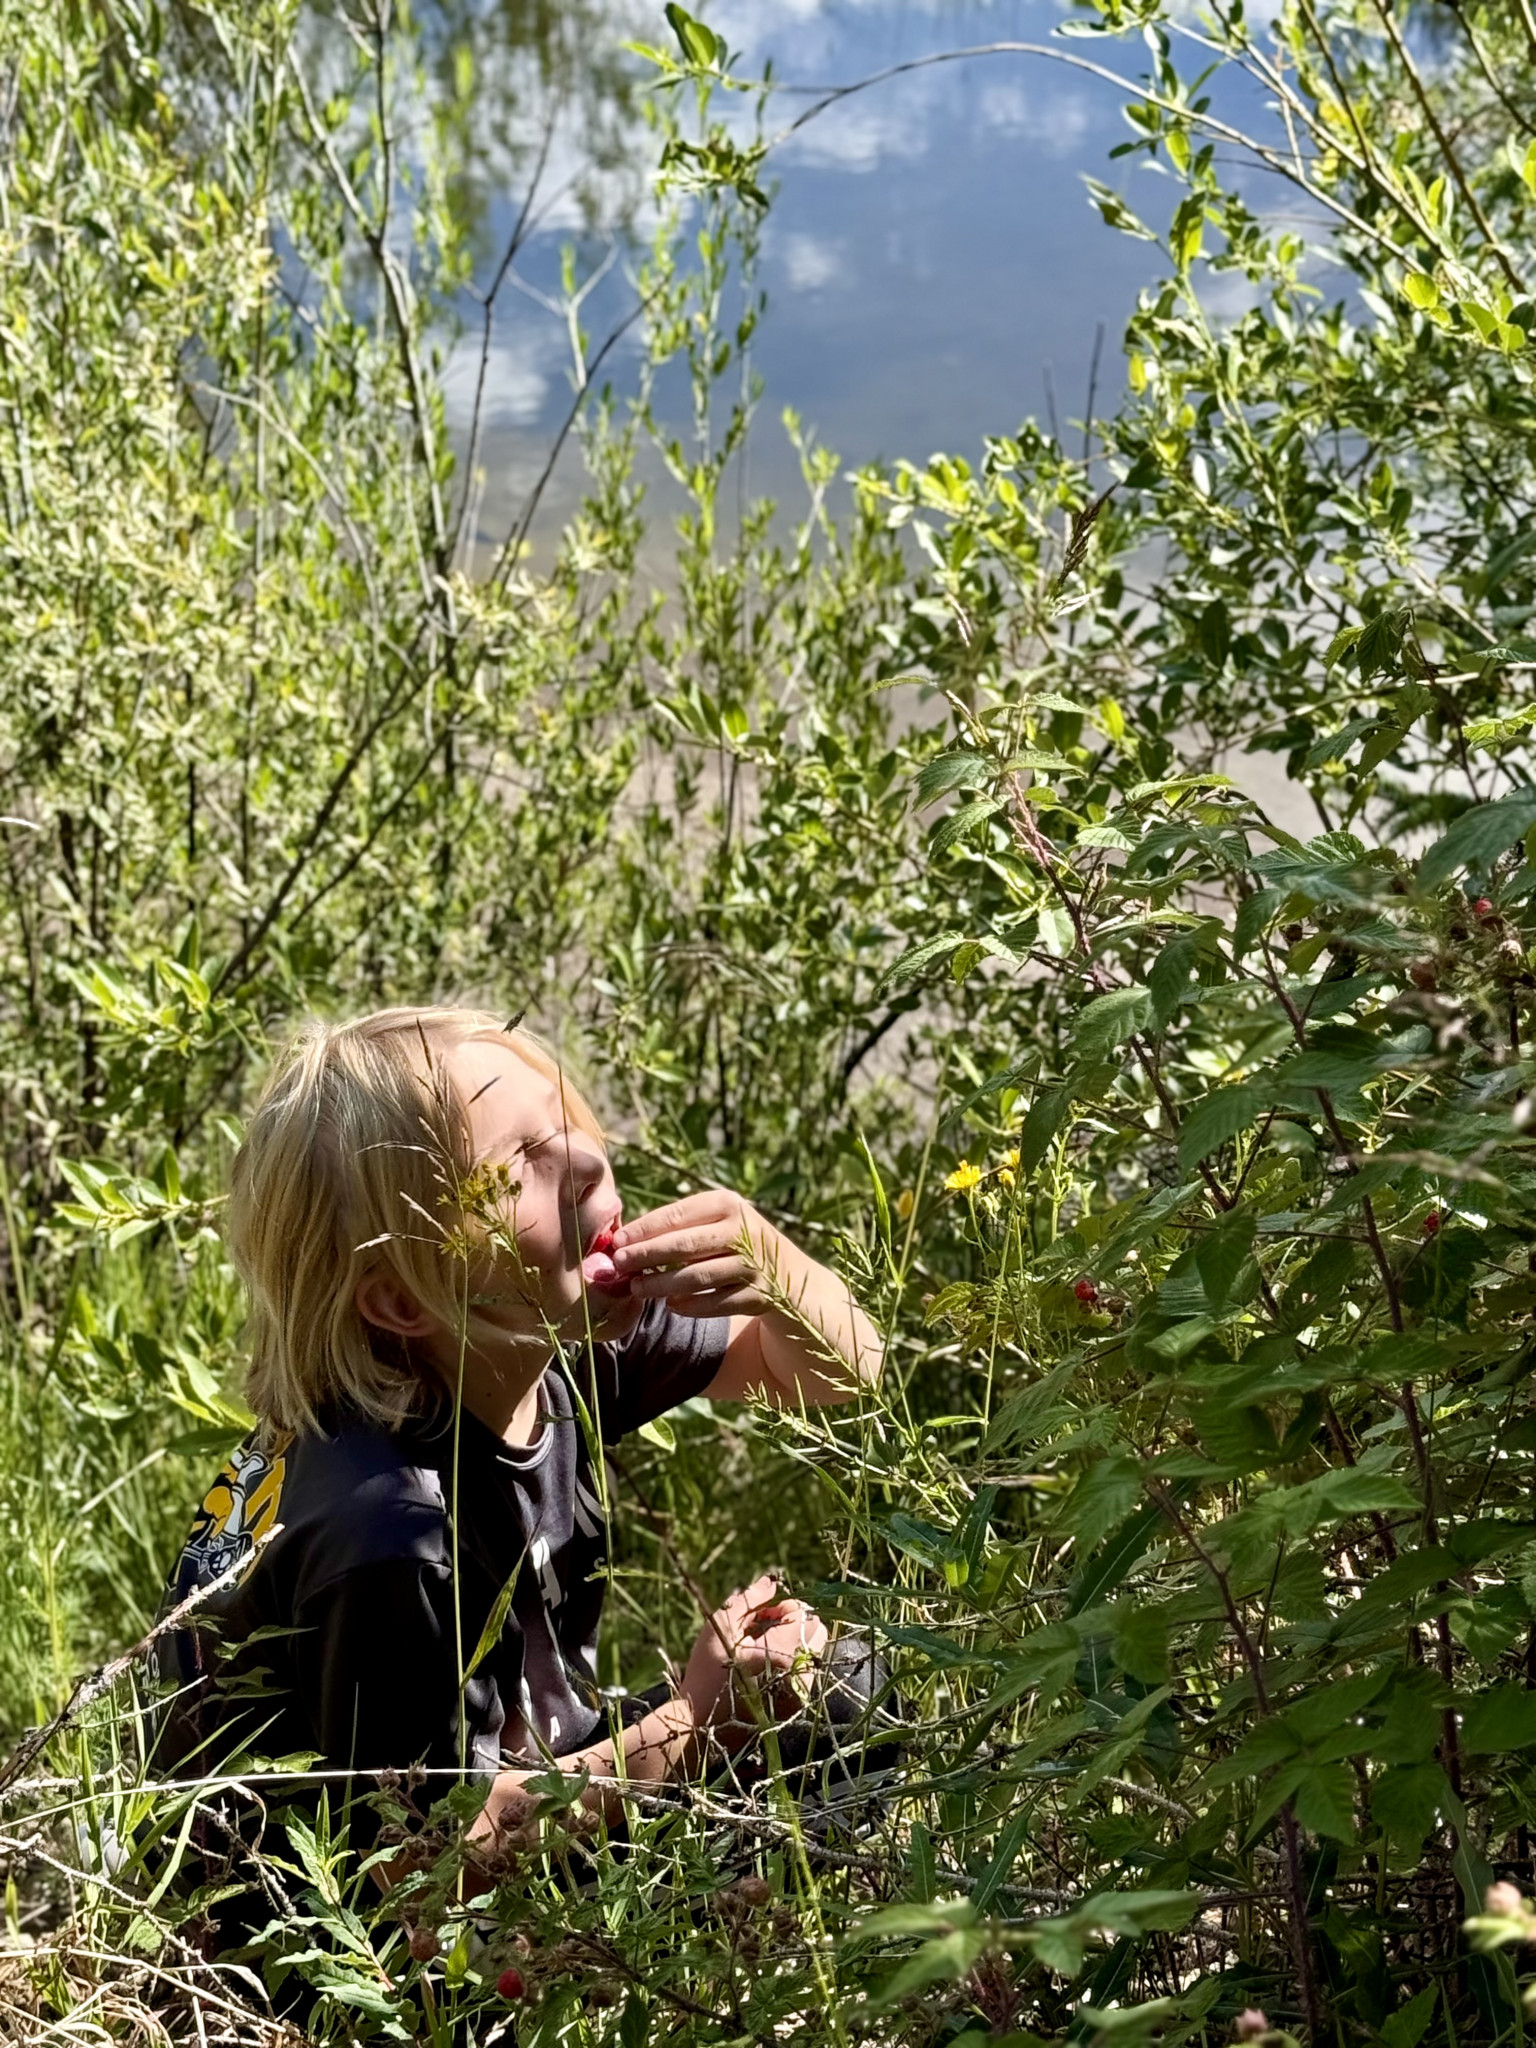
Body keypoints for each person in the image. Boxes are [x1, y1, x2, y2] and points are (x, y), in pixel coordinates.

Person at [149, 1007, 885, 1904]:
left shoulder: (525, 1337)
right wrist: (696, 1722)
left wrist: (770, 1264)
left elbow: (844, 1370)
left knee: (839, 1688)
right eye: (519, 1166)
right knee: (806, 1728)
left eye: (560, 1118)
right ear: (405, 1298)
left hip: (502, 1786)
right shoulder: (386, 1527)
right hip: (331, 1929)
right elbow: (422, 1866)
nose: (584, 1159)